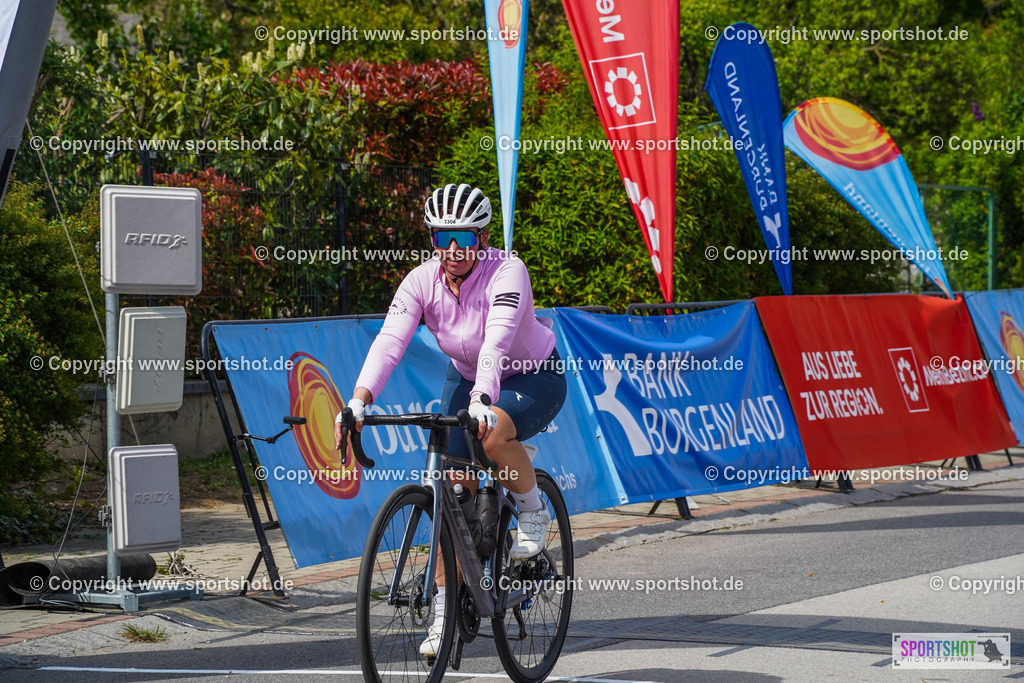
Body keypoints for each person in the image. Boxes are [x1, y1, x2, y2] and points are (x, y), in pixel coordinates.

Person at [334, 182, 567, 657]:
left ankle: (532, 510)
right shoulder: (420, 281)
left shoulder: (508, 270)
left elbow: (496, 344)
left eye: (463, 236)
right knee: (449, 491)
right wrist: (358, 401)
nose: (453, 249)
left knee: (495, 429)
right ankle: (444, 614)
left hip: (534, 375)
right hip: (465, 376)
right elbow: (390, 342)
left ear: (482, 238)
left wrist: (483, 398)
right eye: (443, 238)